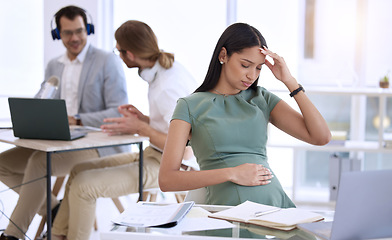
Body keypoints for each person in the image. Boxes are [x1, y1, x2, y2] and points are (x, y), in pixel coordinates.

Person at [50, 20, 197, 240]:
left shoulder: (169, 85)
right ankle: (57, 236)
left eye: (118, 51)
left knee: (83, 186)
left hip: (171, 166)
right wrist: (143, 119)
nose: (117, 56)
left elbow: (185, 149)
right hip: (154, 155)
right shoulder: (163, 73)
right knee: (78, 170)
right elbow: (172, 125)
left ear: (129, 54)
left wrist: (141, 128)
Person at [159, 22, 331, 207]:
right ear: (223, 55)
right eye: (245, 65)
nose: (252, 75)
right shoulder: (189, 106)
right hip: (231, 214)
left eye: (258, 68)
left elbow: (321, 137)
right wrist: (231, 173)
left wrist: (290, 82)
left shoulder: (262, 98)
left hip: (277, 208)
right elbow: (167, 180)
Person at [0, 5, 128, 240]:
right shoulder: (54, 65)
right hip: (58, 141)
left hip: (96, 145)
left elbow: (118, 112)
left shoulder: (107, 61)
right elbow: (44, 101)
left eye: (79, 31)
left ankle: (12, 235)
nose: (75, 38)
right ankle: (55, 209)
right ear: (57, 34)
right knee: (2, 163)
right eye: (67, 33)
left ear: (88, 29)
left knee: (40, 162)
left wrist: (77, 119)